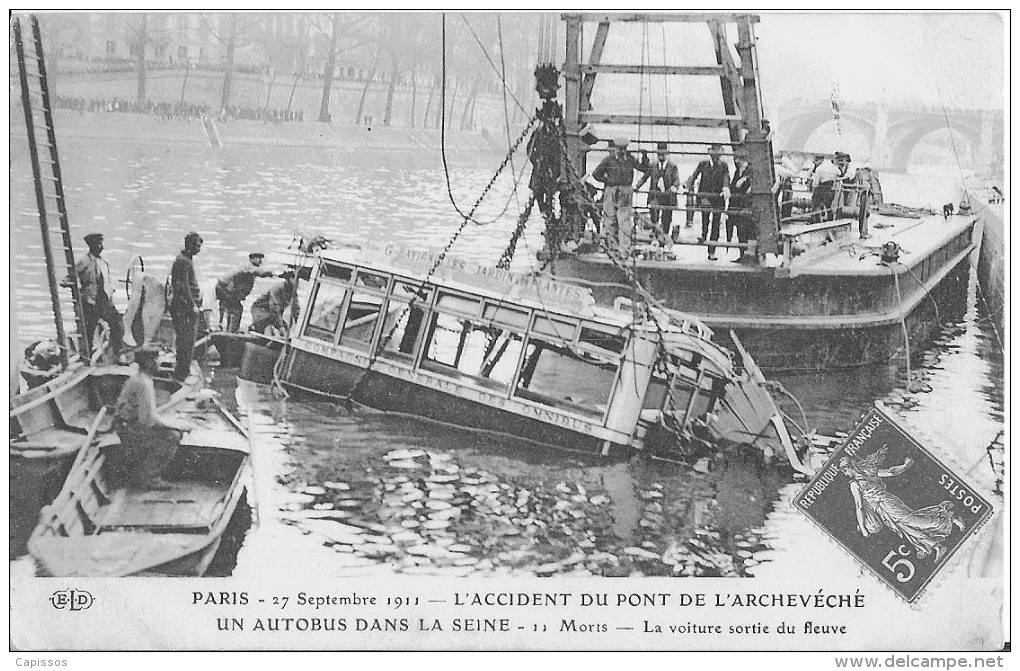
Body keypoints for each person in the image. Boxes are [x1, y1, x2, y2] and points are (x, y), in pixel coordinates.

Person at [839, 447, 964, 561]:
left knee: (913, 521)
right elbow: (890, 472)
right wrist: (905, 466)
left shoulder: (855, 484)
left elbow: (859, 506)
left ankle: (951, 518)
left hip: (887, 504)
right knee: (907, 529)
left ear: (849, 467)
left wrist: (863, 528)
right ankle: (937, 547)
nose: (845, 474)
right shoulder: (867, 471)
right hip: (883, 510)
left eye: (844, 471)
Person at [110, 346, 188, 489]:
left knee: (167, 430)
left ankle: (139, 468)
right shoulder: (144, 383)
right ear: (148, 363)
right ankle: (150, 477)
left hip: (124, 426)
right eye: (156, 359)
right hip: (129, 430)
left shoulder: (138, 378)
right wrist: (177, 426)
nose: (159, 362)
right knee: (173, 436)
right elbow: (148, 420)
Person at [591, 136, 648, 257]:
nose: (621, 151)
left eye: (623, 149)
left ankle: (624, 249)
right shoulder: (609, 160)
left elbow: (643, 168)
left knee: (624, 221)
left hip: (625, 191)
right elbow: (596, 173)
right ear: (616, 148)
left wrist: (644, 157)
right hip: (611, 190)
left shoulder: (630, 159)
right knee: (609, 219)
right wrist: (606, 180)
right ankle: (610, 247)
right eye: (620, 149)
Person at [68, 233, 124, 355]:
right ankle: (86, 357)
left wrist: (111, 290)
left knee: (117, 322)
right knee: (89, 330)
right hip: (90, 302)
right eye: (97, 244)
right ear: (91, 245)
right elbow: (70, 277)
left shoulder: (103, 261)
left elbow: (107, 279)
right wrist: (77, 289)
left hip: (104, 301)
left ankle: (118, 352)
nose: (100, 246)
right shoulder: (83, 261)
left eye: (101, 244)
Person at [685, 144, 731, 260]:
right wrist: (688, 187)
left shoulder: (724, 165)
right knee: (705, 215)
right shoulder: (703, 164)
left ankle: (711, 251)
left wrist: (726, 188)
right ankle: (703, 234)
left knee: (715, 225)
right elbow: (694, 175)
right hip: (705, 196)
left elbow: (726, 178)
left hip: (717, 198)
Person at [169, 232, 203, 382]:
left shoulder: (185, 260)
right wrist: (192, 305)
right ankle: (181, 373)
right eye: (197, 245)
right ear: (189, 244)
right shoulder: (183, 261)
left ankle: (182, 370)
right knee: (186, 341)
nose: (199, 249)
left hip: (183, 307)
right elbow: (183, 287)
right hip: (184, 308)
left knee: (185, 341)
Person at [215, 252, 273, 332]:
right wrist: (273, 273)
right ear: (252, 258)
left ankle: (229, 330)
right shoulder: (248, 266)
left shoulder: (250, 268)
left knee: (233, 309)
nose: (260, 261)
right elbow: (260, 273)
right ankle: (232, 331)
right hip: (224, 288)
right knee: (237, 309)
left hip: (228, 290)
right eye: (258, 258)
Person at [636, 142, 681, 241]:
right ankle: (655, 235)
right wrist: (637, 186)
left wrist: (674, 187)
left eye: (663, 154)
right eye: (659, 154)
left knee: (666, 219)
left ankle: (664, 238)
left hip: (667, 197)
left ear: (666, 154)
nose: (661, 156)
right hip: (655, 195)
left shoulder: (672, 166)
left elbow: (677, 179)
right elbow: (644, 177)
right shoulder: (652, 165)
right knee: (654, 213)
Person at [727, 147, 754, 260]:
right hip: (737, 205)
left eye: (738, 158)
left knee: (746, 231)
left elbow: (754, 180)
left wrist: (745, 179)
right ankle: (742, 254)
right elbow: (734, 186)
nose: (736, 161)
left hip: (746, 206)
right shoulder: (738, 171)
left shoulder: (750, 170)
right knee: (740, 232)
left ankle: (748, 255)